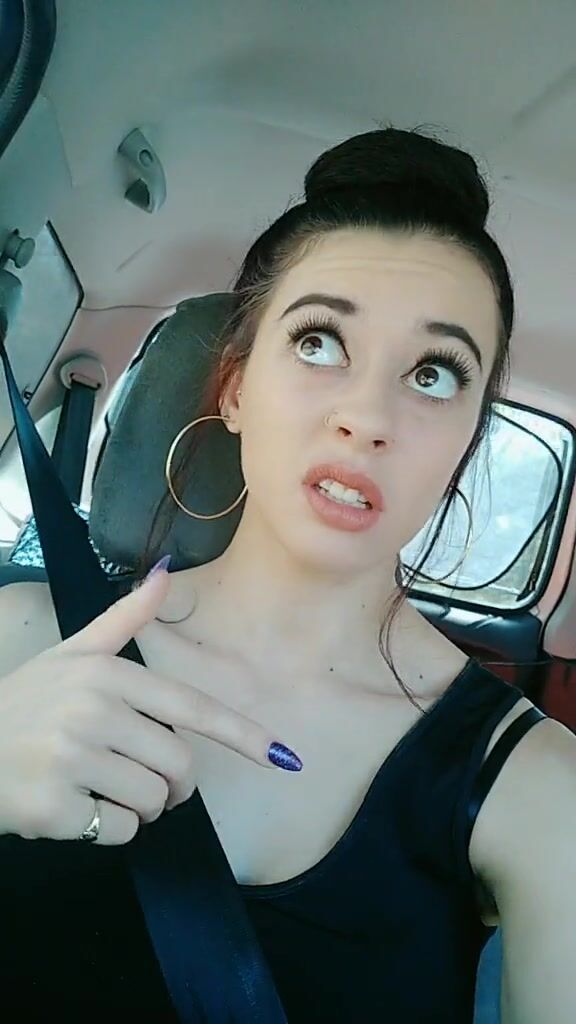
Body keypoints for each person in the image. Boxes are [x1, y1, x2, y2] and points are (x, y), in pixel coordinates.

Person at [0, 126, 574, 1023]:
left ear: (467, 438)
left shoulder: (539, 788)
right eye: (318, 342)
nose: (367, 416)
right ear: (235, 388)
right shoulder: (26, 636)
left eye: (433, 373)